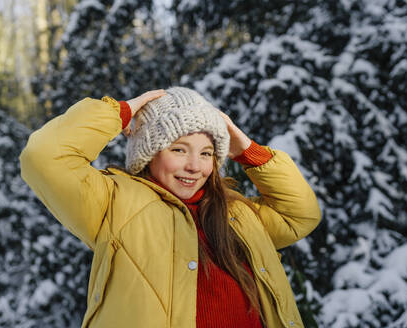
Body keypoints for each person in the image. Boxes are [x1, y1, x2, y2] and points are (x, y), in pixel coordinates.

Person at [19, 87, 321, 328]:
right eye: (178, 149)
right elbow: (45, 156)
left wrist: (247, 151)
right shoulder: (114, 203)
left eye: (206, 153)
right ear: (149, 153)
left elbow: (299, 215)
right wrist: (120, 112)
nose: (194, 166)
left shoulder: (237, 214)